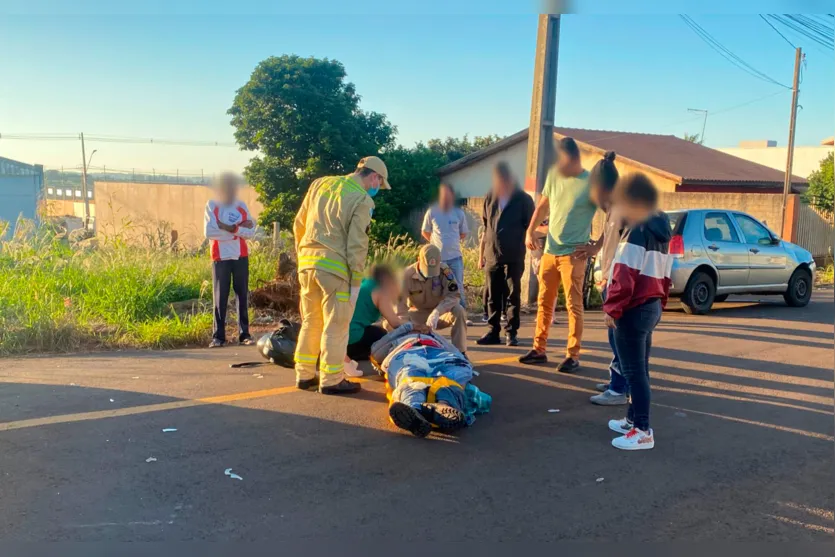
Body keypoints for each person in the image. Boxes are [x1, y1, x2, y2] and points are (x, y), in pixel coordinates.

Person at [293, 156, 390, 395]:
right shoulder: (362, 200)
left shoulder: (320, 184)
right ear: (375, 176)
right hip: (335, 269)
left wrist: (302, 257)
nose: (377, 188)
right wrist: (356, 280)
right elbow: (357, 243)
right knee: (336, 326)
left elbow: (299, 224)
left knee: (311, 321)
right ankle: (332, 379)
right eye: (379, 182)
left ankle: (304, 375)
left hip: (307, 263)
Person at [604, 172, 672, 451]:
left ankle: (643, 429)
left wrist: (612, 307)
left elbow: (625, 273)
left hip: (633, 308)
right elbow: (667, 272)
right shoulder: (662, 228)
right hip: (650, 304)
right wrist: (660, 302)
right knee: (639, 368)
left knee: (634, 372)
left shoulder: (636, 229)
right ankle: (633, 421)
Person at [520, 137, 598, 372]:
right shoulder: (555, 175)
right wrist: (530, 230)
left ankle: (573, 356)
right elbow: (543, 205)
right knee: (544, 303)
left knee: (574, 306)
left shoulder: (591, 183)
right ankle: (538, 349)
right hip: (550, 252)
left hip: (574, 255)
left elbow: (615, 215)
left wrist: (597, 246)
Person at [583, 152, 630, 406]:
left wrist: (615, 286)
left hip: (618, 285)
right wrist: (595, 249)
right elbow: (606, 237)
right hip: (610, 282)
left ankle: (619, 389)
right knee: (615, 337)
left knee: (620, 338)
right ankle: (617, 381)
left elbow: (627, 252)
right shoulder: (611, 211)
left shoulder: (622, 210)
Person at [477, 161, 534, 347]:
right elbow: (486, 227)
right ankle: (493, 331)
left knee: (512, 296)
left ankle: (511, 332)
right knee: (492, 296)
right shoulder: (490, 197)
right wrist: (482, 255)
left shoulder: (523, 199)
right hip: (492, 254)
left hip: (514, 255)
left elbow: (531, 226)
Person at [203, 172, 257, 348]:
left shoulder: (240, 206)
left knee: (242, 295)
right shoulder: (212, 205)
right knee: (220, 297)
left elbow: (250, 232)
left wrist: (229, 228)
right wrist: (238, 230)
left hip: (240, 255)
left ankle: (245, 334)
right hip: (220, 256)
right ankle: (218, 337)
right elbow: (209, 232)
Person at [397, 244, 468, 354]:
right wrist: (410, 326)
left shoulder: (444, 271)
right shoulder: (406, 275)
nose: (430, 274)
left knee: (459, 311)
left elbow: (454, 295)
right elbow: (399, 306)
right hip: (417, 316)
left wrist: (437, 311)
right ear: (418, 259)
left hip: (439, 315)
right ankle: (403, 351)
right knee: (389, 324)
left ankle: (460, 352)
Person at [342, 265, 406, 375]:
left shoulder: (366, 283)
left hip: (339, 334)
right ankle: (350, 356)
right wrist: (414, 326)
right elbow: (395, 323)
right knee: (381, 336)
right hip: (352, 338)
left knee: (374, 329)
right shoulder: (381, 291)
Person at [421, 183, 470, 314]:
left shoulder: (459, 213)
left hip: (455, 257)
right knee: (436, 287)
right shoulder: (432, 212)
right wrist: (434, 242)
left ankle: (462, 314)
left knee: (457, 286)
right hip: (437, 260)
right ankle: (437, 314)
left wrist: (451, 241)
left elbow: (463, 233)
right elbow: (425, 231)